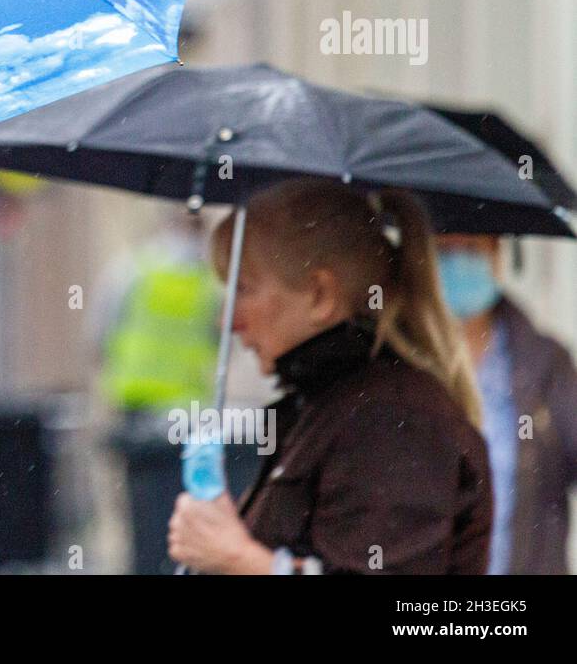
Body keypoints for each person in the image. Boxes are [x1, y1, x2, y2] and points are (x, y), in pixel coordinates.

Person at [167, 178, 492, 574]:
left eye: (244, 289)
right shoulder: (329, 406)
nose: (227, 321)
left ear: (320, 295)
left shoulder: (391, 419)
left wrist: (237, 558)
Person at [436, 233, 577, 574]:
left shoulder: (545, 363)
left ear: (497, 255)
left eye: (471, 249)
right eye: (443, 251)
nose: (458, 263)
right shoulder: (399, 365)